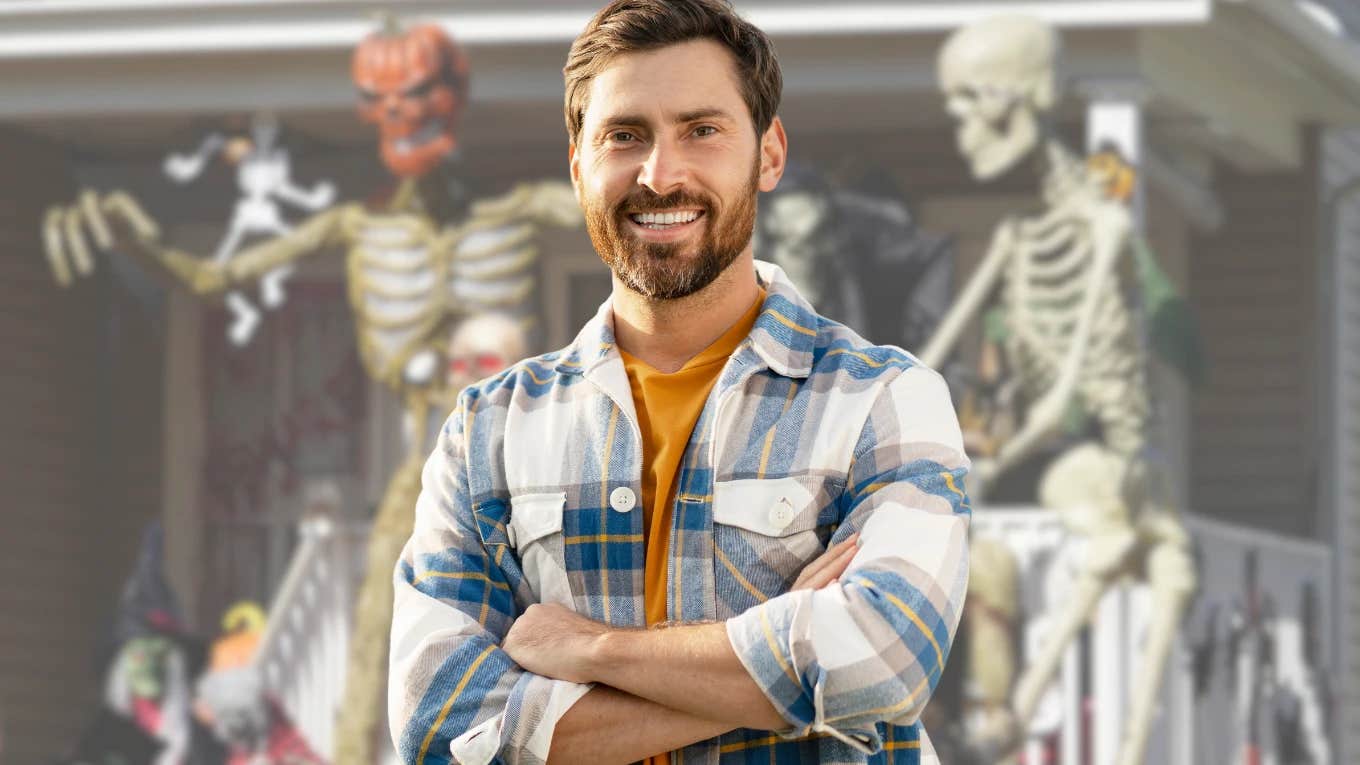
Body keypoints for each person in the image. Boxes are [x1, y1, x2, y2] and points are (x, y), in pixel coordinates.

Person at [387, 2, 971, 763]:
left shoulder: (882, 400)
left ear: (768, 154)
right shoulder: (488, 431)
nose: (661, 175)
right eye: (625, 135)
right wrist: (793, 652)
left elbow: (887, 660)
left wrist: (592, 649)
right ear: (578, 165)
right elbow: (438, 721)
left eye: (702, 129)